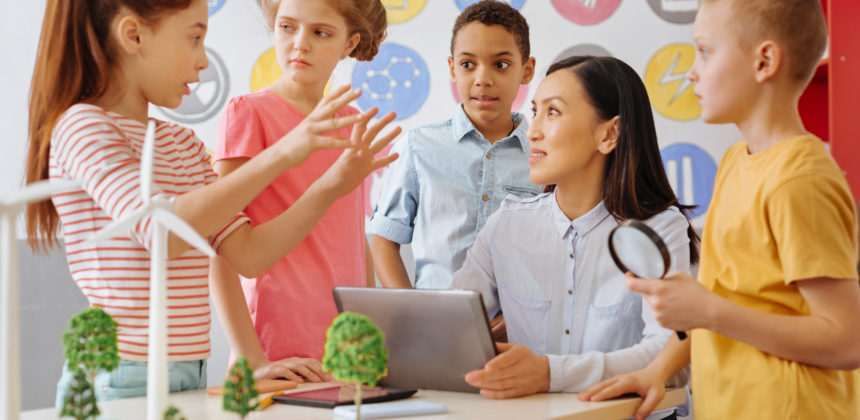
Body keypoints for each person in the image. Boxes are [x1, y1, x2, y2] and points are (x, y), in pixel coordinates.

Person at [24, 0, 396, 404]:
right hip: (121, 371)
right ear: (133, 36)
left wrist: (329, 186)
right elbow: (162, 235)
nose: (204, 62)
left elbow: (248, 256)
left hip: (190, 370)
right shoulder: (83, 125)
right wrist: (286, 152)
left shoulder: (182, 144)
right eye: (195, 38)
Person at [579, 1, 860, 419]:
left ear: (764, 61)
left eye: (705, 52)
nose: (691, 71)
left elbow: (846, 340)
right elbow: (719, 302)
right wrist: (656, 371)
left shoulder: (800, 179)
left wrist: (709, 311)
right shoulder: (735, 161)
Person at [450, 56, 697, 419]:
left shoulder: (659, 228)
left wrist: (550, 374)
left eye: (552, 112)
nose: (531, 131)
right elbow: (448, 322)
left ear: (609, 134)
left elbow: (672, 352)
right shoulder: (508, 223)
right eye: (534, 111)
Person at [210, 0, 392, 382]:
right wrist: (253, 361)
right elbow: (222, 254)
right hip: (278, 355)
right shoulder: (249, 114)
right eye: (287, 27)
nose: (300, 44)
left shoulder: (351, 124)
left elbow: (352, 240)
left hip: (346, 355)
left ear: (349, 43)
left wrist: (368, 333)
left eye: (320, 32)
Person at [370, 0, 541, 291]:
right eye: (467, 64)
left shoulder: (544, 155)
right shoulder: (417, 147)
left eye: (501, 64)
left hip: (519, 330)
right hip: (433, 327)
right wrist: (415, 311)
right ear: (452, 69)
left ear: (526, 70)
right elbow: (384, 240)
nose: (483, 79)